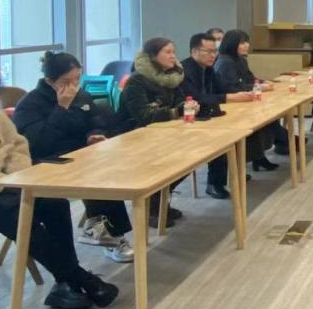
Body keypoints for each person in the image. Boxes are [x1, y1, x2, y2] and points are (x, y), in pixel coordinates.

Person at [0, 60, 118, 309]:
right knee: (15, 215)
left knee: (54, 204)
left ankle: (64, 283)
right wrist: (3, 177)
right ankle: (82, 280)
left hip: (3, 188)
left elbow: (18, 147)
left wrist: (11, 177)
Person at [12, 52, 134, 263]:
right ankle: (106, 233)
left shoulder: (82, 96)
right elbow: (39, 142)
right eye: (66, 81)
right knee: (92, 173)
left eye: (77, 78)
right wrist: (61, 108)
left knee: (104, 167)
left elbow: (97, 122)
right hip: (46, 160)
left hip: (80, 153)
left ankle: (109, 232)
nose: (74, 85)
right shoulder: (30, 104)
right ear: (50, 81)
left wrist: (93, 135)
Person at [180, 33, 270, 200]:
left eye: (214, 51)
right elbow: (196, 97)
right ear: (194, 51)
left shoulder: (208, 68)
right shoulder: (184, 70)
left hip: (208, 114)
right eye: (208, 51)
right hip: (186, 120)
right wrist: (229, 97)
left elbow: (222, 88)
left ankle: (228, 175)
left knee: (234, 130)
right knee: (220, 138)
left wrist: (240, 93)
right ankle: (215, 183)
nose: (213, 55)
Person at [117, 37, 191, 226]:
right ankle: (152, 206)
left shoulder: (172, 77)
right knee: (168, 160)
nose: (173, 56)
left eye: (174, 52)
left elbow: (179, 101)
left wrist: (188, 106)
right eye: (167, 52)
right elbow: (144, 116)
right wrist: (175, 112)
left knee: (190, 159)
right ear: (152, 56)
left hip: (163, 132)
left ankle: (160, 199)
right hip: (133, 135)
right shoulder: (136, 81)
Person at [216, 29, 290, 162]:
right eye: (242, 43)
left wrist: (263, 82)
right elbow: (232, 87)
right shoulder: (225, 62)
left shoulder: (240, 59)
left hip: (247, 100)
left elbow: (250, 78)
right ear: (232, 44)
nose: (246, 45)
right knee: (264, 119)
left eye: (247, 42)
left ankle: (270, 149)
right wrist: (259, 87)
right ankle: (285, 141)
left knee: (270, 115)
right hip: (232, 105)